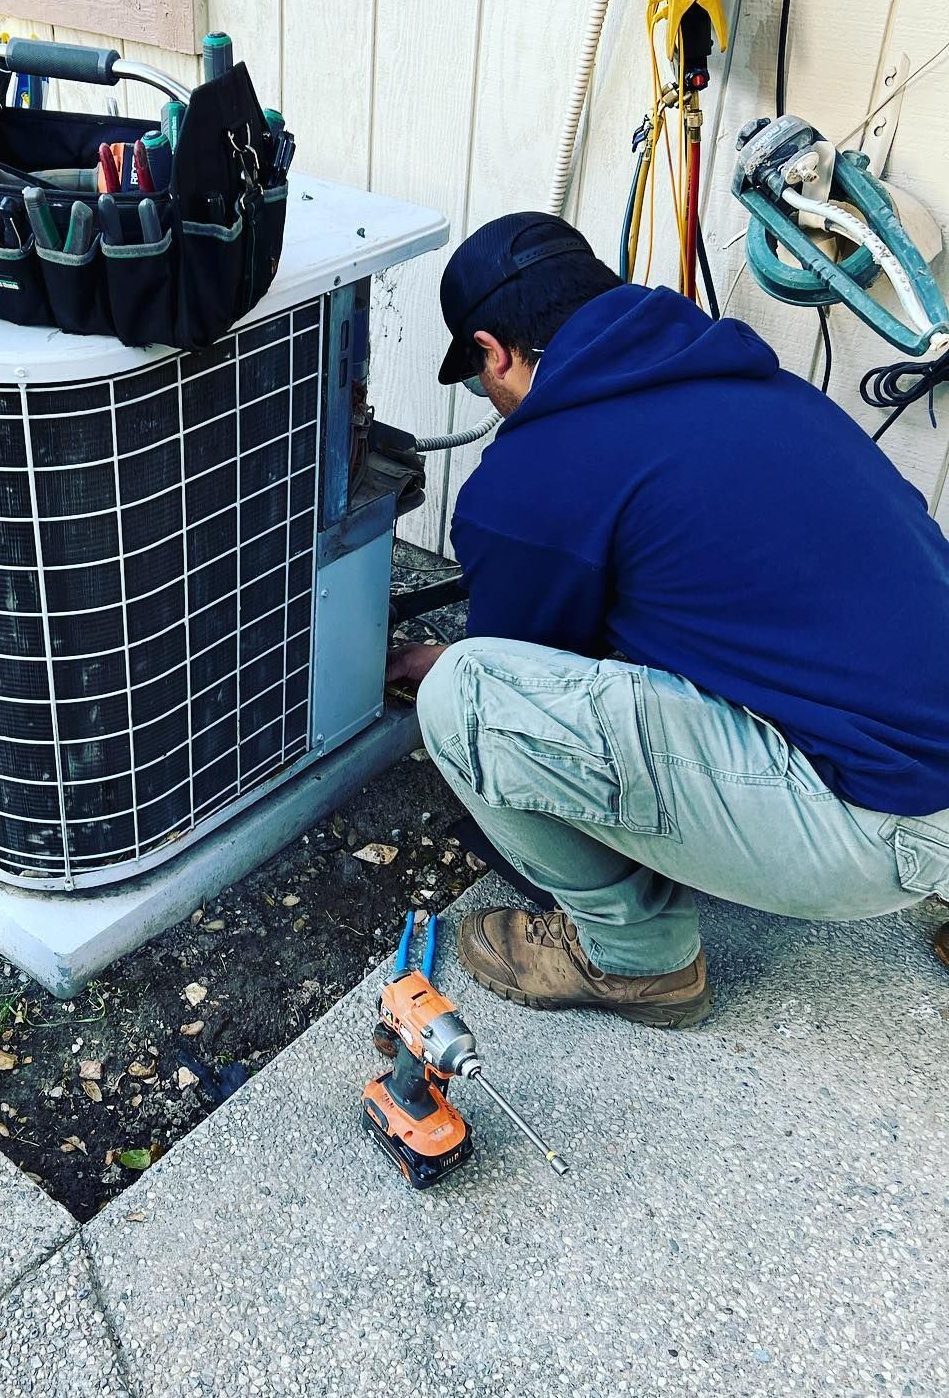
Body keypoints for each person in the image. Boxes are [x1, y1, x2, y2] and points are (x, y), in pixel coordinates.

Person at [389, 212, 949, 1028]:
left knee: (465, 700)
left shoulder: (532, 478)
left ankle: (634, 959)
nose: (490, 399)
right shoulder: (755, 384)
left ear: (494, 352)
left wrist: (434, 665)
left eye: (480, 379)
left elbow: (521, 678)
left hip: (883, 830)